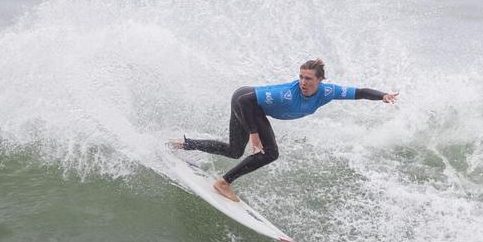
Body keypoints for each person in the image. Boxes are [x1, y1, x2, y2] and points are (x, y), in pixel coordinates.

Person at [170, 59, 398, 202]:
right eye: (300, 77)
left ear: (320, 80)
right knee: (270, 152)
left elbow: (359, 92)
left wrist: (382, 96)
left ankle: (183, 143)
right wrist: (253, 132)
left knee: (233, 150)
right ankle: (224, 183)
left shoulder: (328, 92)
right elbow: (246, 101)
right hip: (245, 102)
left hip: (248, 104)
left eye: (308, 78)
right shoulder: (287, 93)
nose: (302, 82)